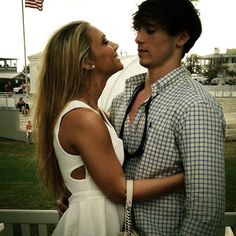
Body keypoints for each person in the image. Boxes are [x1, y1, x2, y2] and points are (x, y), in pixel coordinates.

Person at [57, 0, 226, 235]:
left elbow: (206, 211)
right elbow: (101, 162)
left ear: (181, 38)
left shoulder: (195, 106)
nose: (138, 38)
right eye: (138, 29)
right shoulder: (122, 100)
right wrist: (77, 196)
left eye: (150, 30)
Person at [33, 21, 185, 236]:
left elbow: (89, 173)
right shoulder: (83, 117)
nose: (114, 45)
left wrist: (72, 193)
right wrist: (185, 178)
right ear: (86, 61)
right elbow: (119, 190)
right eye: (104, 42)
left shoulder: (94, 112)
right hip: (92, 223)